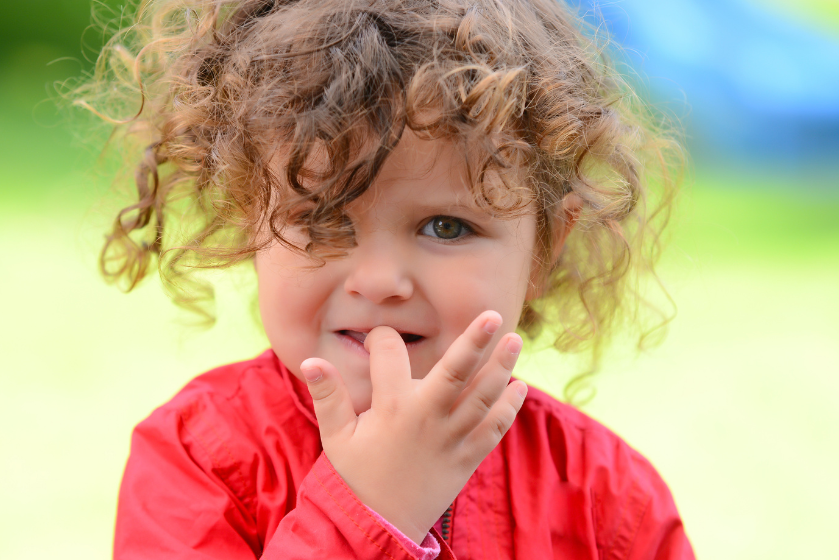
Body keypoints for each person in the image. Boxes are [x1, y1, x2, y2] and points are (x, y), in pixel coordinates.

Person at [74, 0, 691, 557]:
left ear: (545, 250)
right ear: (248, 225)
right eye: (319, 221)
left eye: (446, 227)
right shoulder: (202, 460)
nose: (378, 281)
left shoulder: (606, 500)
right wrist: (369, 512)